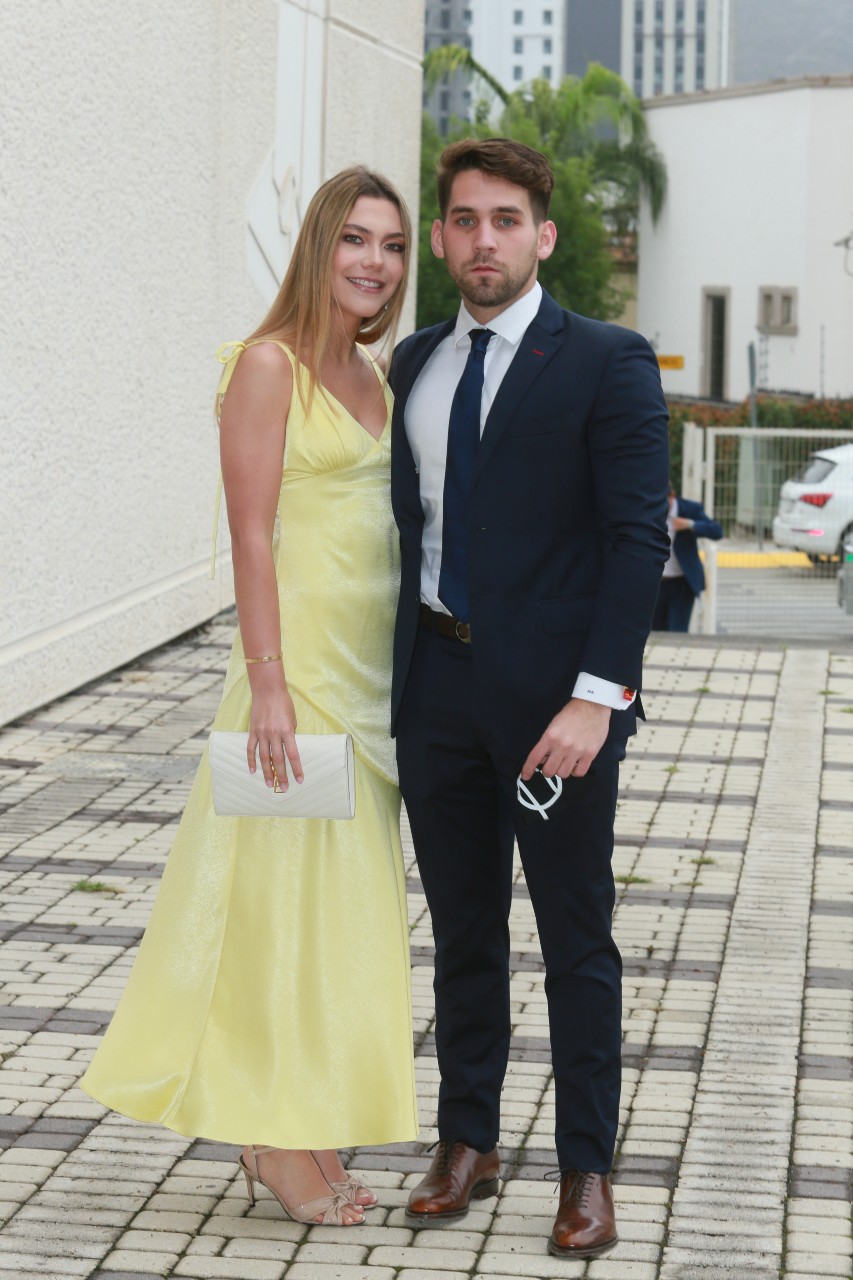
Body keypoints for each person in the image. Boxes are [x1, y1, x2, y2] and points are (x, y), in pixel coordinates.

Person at [81, 167, 419, 1227]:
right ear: (317, 247)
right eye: (355, 239)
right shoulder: (265, 367)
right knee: (279, 916)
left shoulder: (380, 377)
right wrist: (268, 686)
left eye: (393, 244)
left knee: (341, 924)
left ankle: (306, 1123)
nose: (375, 261)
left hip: (374, 692)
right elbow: (250, 536)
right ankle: (275, 1144)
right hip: (299, 687)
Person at [389, 138, 670, 1259]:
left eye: (506, 219)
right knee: (462, 930)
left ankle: (586, 1167)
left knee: (575, 938)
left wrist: (597, 699)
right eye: (463, 219)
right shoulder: (415, 362)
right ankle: (468, 1137)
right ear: (445, 234)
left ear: (541, 235)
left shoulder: (605, 357)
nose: (484, 238)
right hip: (436, 689)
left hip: (558, 712)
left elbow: (635, 535)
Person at [652, 483, 724, 632]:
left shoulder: (690, 509)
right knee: (655, 632)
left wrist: (690, 524)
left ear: (672, 496)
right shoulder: (650, 512)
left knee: (677, 631)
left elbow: (717, 531)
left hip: (681, 584)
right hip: (655, 583)